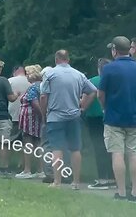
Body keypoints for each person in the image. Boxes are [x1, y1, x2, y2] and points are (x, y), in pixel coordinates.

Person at [40, 50, 96, 189]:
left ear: (56, 59)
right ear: (68, 59)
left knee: (57, 149)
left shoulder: (50, 74)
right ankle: (76, 182)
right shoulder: (79, 75)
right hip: (73, 116)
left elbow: (43, 97)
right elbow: (92, 91)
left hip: (55, 116)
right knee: (75, 149)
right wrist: (83, 106)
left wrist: (44, 114)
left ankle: (57, 182)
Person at [98, 36, 136, 201]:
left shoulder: (109, 69)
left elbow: (101, 94)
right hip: (134, 117)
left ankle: (121, 192)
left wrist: (105, 108)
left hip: (114, 117)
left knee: (117, 153)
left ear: (114, 50)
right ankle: (135, 192)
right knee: (133, 154)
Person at [83, 58, 116, 189]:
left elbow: (85, 100)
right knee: (112, 148)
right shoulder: (114, 81)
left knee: (99, 147)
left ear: (98, 68)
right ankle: (114, 177)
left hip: (94, 118)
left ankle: (102, 179)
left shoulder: (92, 81)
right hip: (111, 117)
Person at [15, 65, 45, 179]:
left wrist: (42, 115)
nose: (26, 75)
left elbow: (35, 102)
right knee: (38, 142)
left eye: (28, 73)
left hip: (30, 119)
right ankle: (40, 169)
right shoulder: (40, 86)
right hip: (35, 118)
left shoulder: (33, 87)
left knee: (27, 142)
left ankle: (27, 170)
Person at [8, 65, 31, 169]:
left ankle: (7, 163)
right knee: (25, 142)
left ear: (15, 71)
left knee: (9, 141)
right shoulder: (31, 81)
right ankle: (21, 164)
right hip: (28, 116)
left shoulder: (10, 81)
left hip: (12, 114)